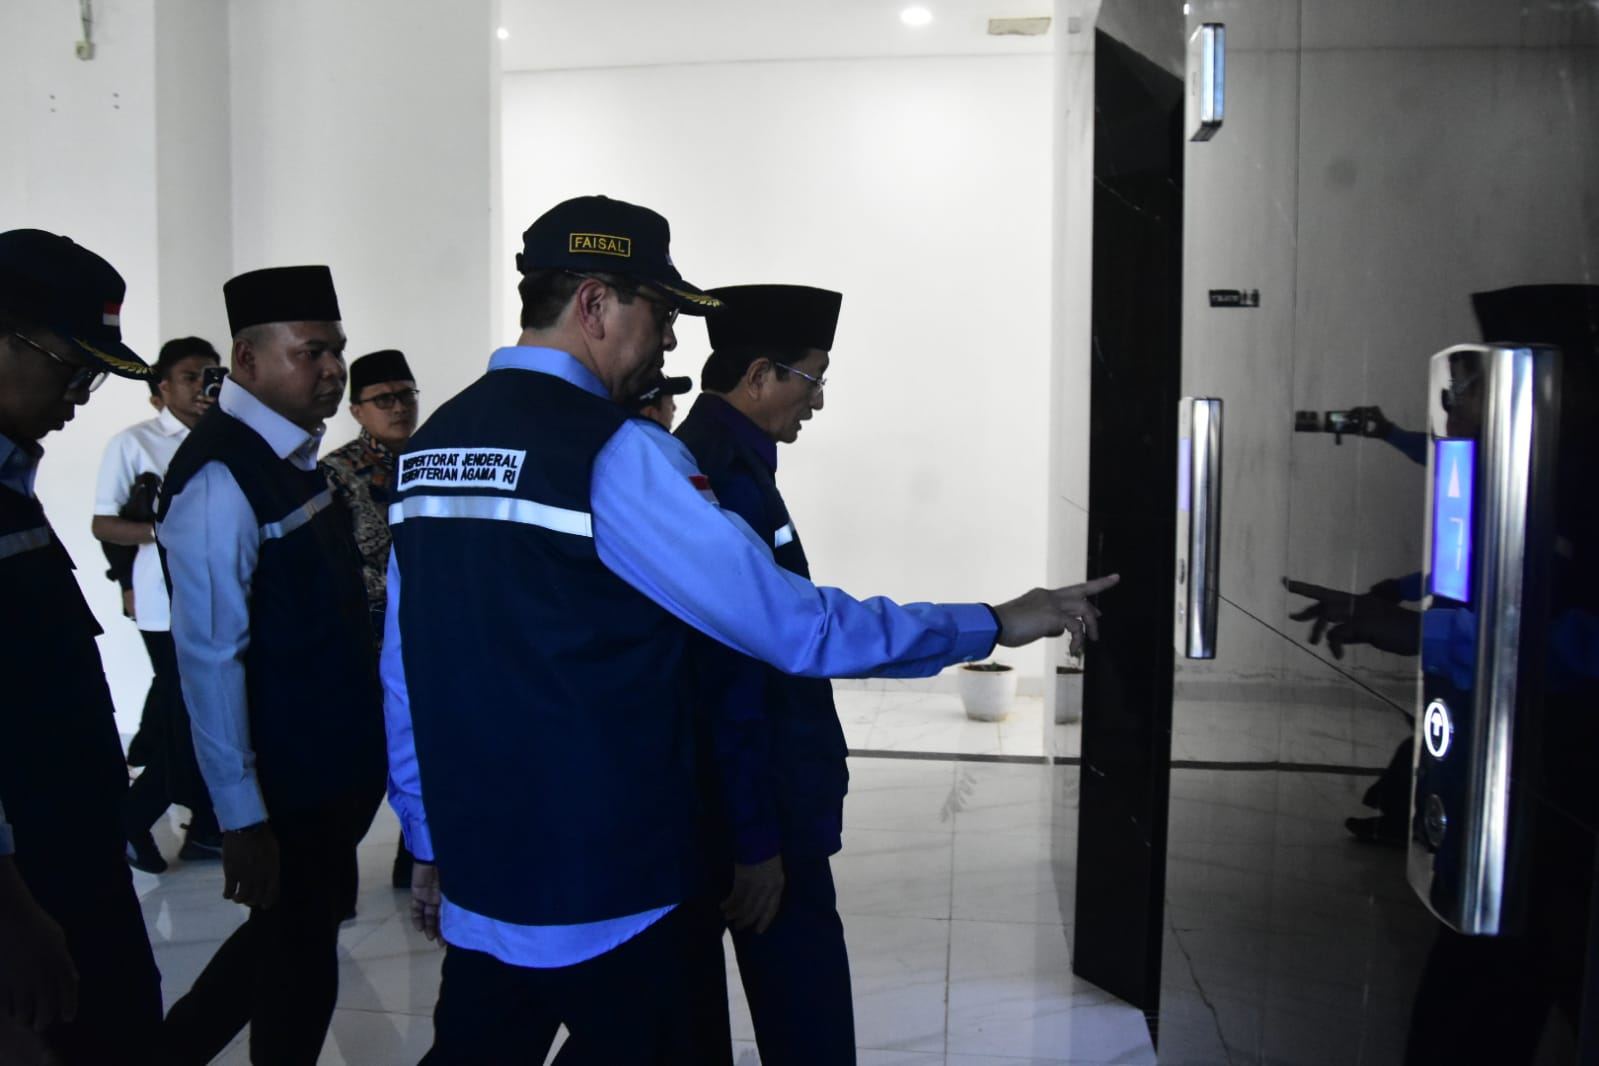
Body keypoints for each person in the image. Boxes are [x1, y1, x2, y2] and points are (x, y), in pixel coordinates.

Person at [383, 195, 1118, 1063]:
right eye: (661, 314)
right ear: (594, 303)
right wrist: (991, 622)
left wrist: (426, 836)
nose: (670, 343)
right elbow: (794, 630)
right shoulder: (617, 454)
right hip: (617, 890)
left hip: (486, 879)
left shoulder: (432, 447)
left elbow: (403, 670)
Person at [157, 266, 386, 1065]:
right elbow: (210, 659)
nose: (332, 370)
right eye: (310, 352)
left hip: (327, 769)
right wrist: (242, 817)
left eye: (337, 351)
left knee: (289, 943)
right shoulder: (222, 476)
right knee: (296, 960)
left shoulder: (287, 454)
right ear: (247, 361)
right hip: (287, 782)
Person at [673, 282, 860, 1064]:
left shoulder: (730, 459)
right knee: (806, 1022)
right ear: (758, 375)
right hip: (761, 810)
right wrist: (756, 841)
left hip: (760, 798)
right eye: (812, 378)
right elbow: (733, 674)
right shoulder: (717, 477)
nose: (816, 401)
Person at [0, 228, 164, 1064]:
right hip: (28, 884)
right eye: (72, 367)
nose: (79, 397)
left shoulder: (11, 480)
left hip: (72, 858)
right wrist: (10, 914)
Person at [94, 336, 225, 873]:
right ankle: (133, 818)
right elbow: (104, 523)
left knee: (210, 717)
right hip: (165, 603)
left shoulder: (229, 436)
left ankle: (207, 828)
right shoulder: (136, 442)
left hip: (225, 596)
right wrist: (164, 531)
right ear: (163, 387)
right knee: (189, 722)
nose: (202, 387)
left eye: (210, 375)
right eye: (190, 377)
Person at [319, 348, 420, 889]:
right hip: (370, 640)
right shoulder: (336, 473)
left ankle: (416, 856)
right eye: (384, 400)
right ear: (357, 410)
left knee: (425, 750)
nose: (398, 408)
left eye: (406, 395)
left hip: (428, 634)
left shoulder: (434, 459)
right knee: (369, 764)